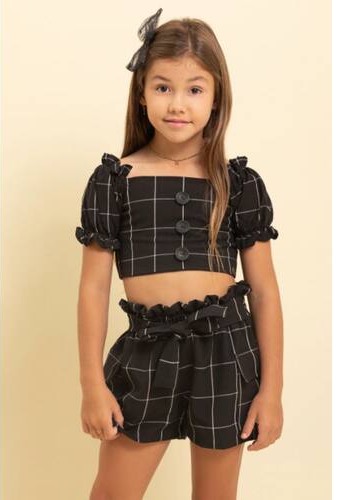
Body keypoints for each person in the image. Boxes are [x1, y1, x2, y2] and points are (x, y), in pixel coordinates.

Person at [75, 8, 284, 500]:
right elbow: (93, 289)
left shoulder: (237, 183)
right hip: (147, 351)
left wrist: (271, 391)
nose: (177, 104)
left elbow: (265, 292)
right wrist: (91, 385)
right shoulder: (115, 180)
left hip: (226, 352)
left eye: (194, 89)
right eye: (163, 87)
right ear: (142, 93)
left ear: (216, 97)